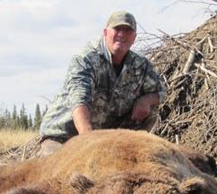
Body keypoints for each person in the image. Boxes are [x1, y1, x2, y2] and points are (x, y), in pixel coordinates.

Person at [38, 11, 166, 156]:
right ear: (105, 32)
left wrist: (146, 100)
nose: (122, 34)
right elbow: (79, 102)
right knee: (58, 171)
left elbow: (161, 91)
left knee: (151, 115)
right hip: (64, 135)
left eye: (127, 30)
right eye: (117, 29)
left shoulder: (140, 65)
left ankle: (131, 155)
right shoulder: (85, 59)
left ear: (134, 38)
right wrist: (90, 143)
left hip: (106, 135)